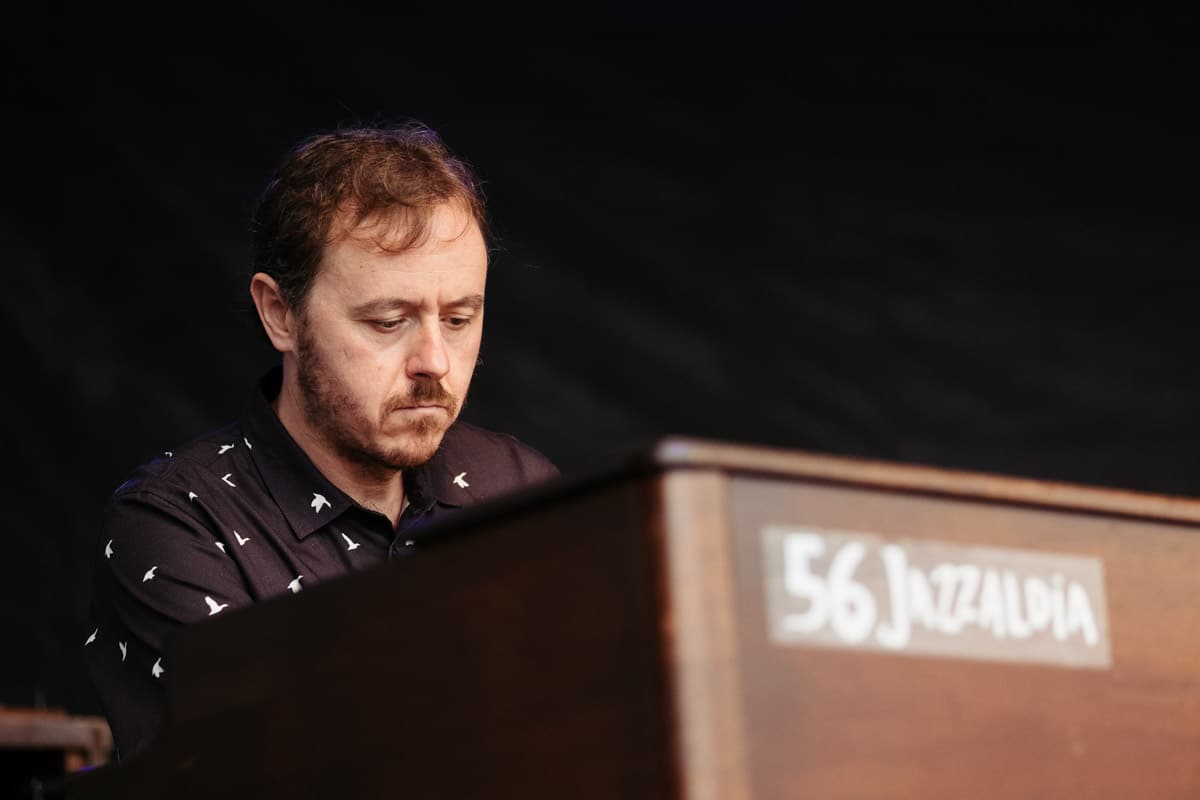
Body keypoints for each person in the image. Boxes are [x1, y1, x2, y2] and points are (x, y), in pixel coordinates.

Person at [83, 124, 559, 759]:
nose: (435, 362)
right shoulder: (176, 527)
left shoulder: (522, 488)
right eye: (387, 321)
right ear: (280, 314)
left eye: (458, 318)